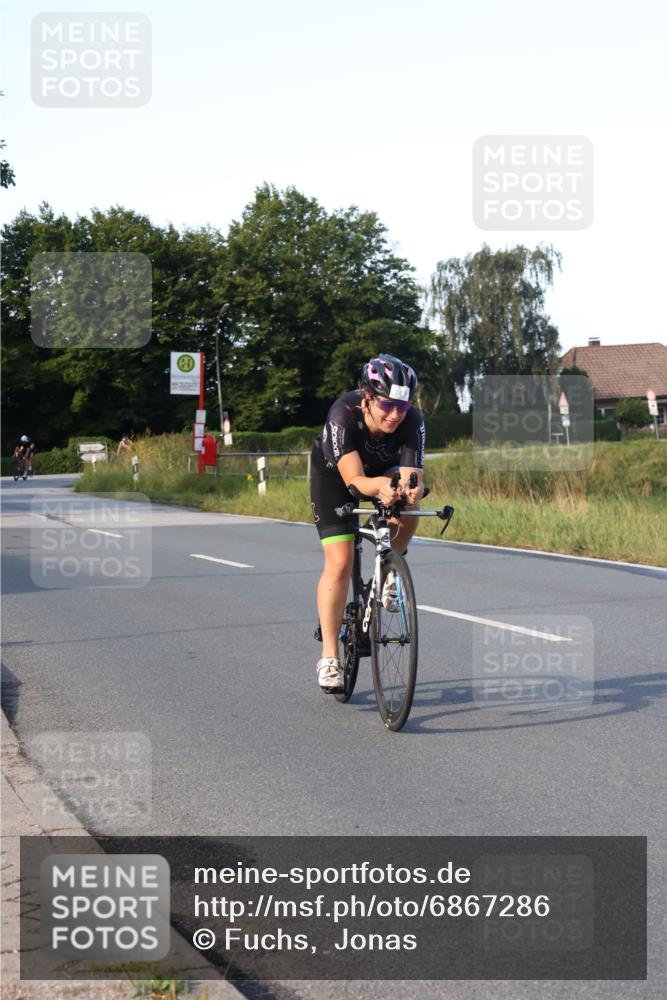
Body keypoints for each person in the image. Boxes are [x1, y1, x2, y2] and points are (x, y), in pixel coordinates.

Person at [310, 354, 425, 691]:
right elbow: (355, 481)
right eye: (388, 406)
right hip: (336, 479)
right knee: (341, 562)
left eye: (402, 408)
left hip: (382, 473)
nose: (395, 415)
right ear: (367, 398)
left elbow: (411, 475)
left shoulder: (411, 420)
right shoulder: (342, 415)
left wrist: (405, 490)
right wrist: (380, 488)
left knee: (409, 503)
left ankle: (390, 571)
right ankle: (329, 656)